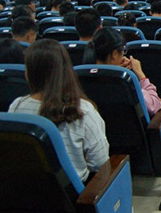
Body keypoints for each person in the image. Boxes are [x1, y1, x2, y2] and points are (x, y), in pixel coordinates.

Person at [8, 39, 109, 182]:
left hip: (26, 188)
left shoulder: (16, 106)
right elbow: (100, 163)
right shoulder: (83, 110)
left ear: (29, 73)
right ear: (65, 71)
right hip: (72, 193)